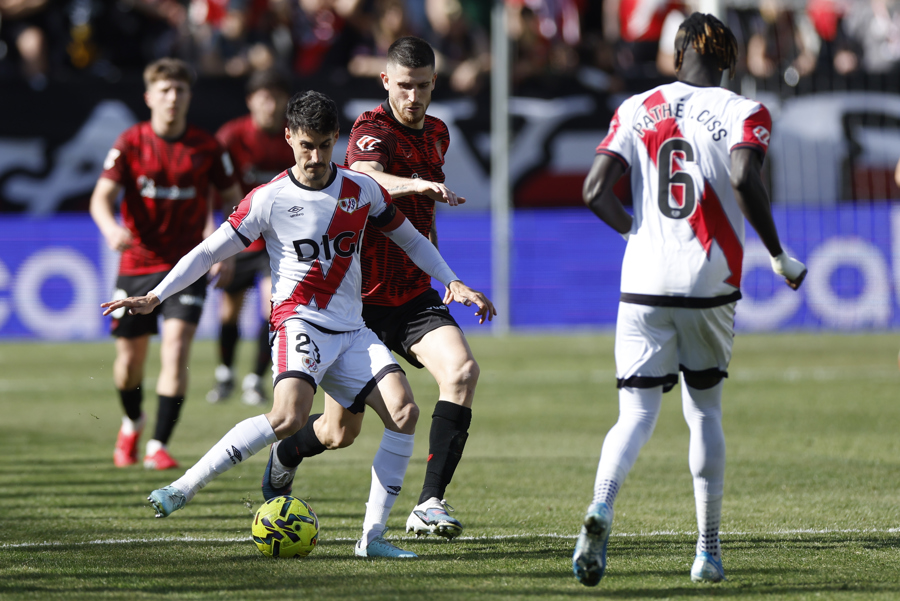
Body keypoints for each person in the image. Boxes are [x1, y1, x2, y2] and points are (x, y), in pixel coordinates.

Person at [100, 90, 494, 559]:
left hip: (352, 331)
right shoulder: (267, 199)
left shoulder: (361, 189)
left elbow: (411, 239)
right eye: (306, 146)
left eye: (325, 145)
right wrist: (157, 295)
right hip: (298, 324)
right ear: (289, 137)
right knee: (288, 416)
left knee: (402, 412)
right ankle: (183, 487)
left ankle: (372, 539)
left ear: (335, 140)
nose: (315, 157)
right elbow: (209, 250)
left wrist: (453, 281)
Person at [571, 13, 807, 586]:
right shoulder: (743, 110)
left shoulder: (636, 107)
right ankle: (707, 551)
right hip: (709, 279)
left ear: (676, 57)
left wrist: (635, 234)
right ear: (728, 61)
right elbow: (746, 175)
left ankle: (601, 505)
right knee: (703, 411)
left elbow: (593, 190)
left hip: (643, 279)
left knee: (635, 413)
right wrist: (777, 254)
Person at [262, 36, 493, 541]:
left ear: (435, 83)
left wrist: (451, 279)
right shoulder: (371, 129)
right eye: (404, 85)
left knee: (462, 371)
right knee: (338, 432)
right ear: (385, 81)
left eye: (424, 86)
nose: (414, 96)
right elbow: (366, 176)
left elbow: (420, 225)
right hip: (356, 305)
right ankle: (288, 450)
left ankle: (429, 502)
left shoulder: (438, 133)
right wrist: (416, 185)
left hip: (411, 294)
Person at [90, 57, 242, 471]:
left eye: (180, 90)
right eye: (164, 90)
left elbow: (233, 201)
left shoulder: (208, 148)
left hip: (186, 267)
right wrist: (109, 228)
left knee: (175, 351)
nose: (172, 97)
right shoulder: (130, 142)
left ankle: (157, 444)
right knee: (129, 365)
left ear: (189, 96)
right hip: (137, 264)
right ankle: (132, 422)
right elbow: (101, 198)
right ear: (149, 97)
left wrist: (224, 249)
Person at [206, 70, 294, 407]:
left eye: (276, 97)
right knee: (229, 311)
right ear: (251, 102)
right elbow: (212, 188)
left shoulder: (293, 137)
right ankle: (225, 372)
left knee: (271, 307)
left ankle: (256, 378)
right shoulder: (231, 137)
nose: (270, 105)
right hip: (239, 235)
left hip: (276, 240)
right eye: (263, 98)